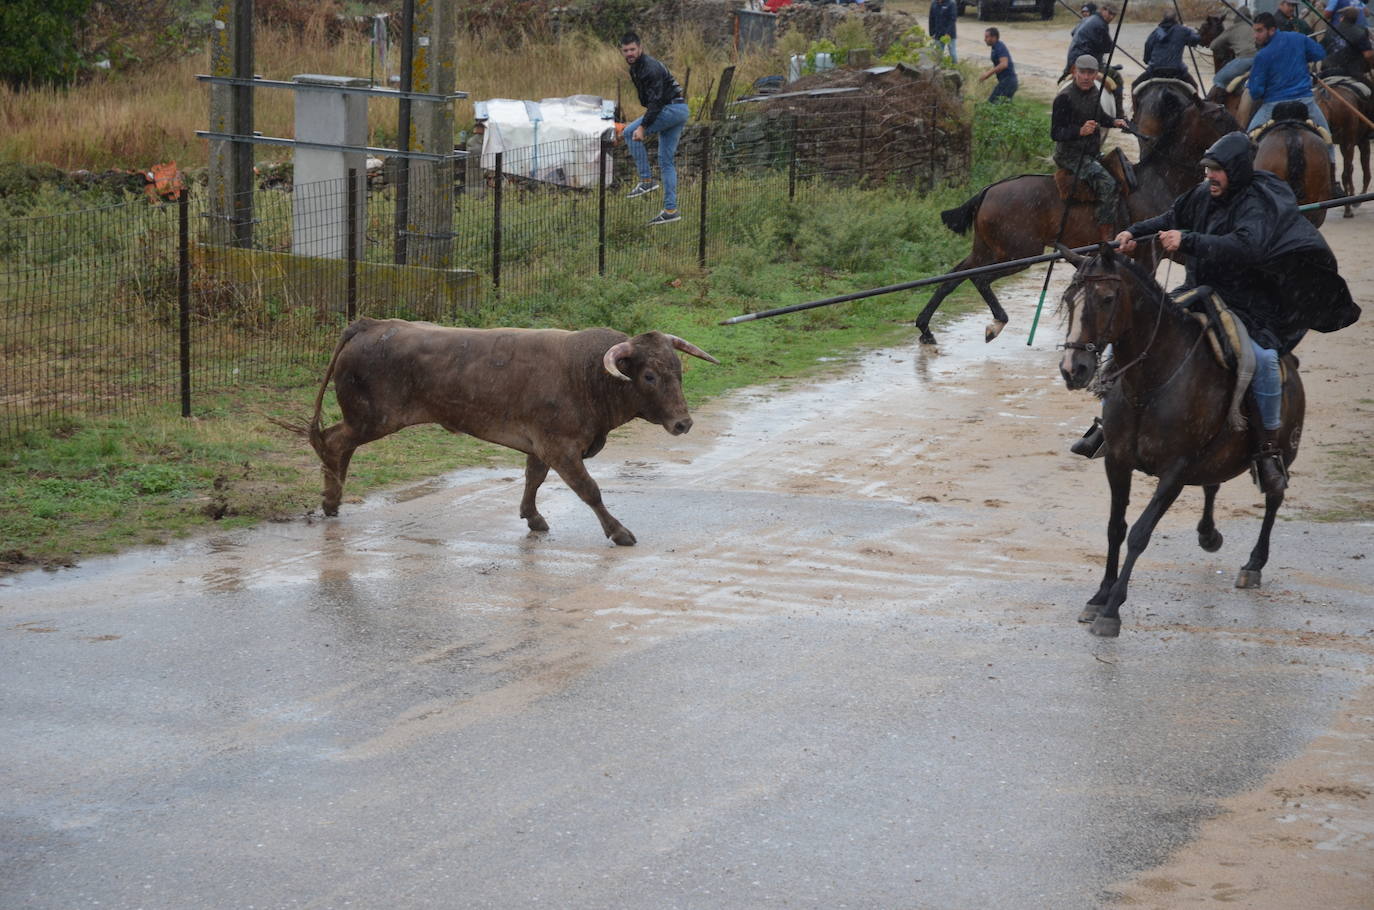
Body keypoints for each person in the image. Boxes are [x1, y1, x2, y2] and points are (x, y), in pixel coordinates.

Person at [1102, 131, 1358, 491]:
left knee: (1265, 360)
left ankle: (1268, 450)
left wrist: (1188, 240)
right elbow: (1170, 216)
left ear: (1235, 171)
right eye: (1207, 170)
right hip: (1199, 289)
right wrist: (1132, 232)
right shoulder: (1204, 193)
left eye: (1217, 171)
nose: (1210, 177)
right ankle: (1111, 424)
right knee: (1140, 330)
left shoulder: (1257, 203)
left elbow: (1246, 247)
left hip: (1247, 300)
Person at [1246, 11, 1336, 173]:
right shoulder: (1299, 38)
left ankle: (1246, 182)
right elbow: (1319, 53)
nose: (1255, 36)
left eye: (1259, 31)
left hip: (1273, 106)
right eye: (1255, 31)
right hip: (1305, 102)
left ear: (1272, 30)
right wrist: (1299, 58)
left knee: (1248, 140)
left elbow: (1256, 92)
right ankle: (1333, 180)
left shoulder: (1262, 56)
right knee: (1327, 139)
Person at [1052, 55, 1129, 242]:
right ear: (1074, 72)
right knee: (1108, 185)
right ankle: (1105, 236)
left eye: (1090, 73)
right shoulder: (1064, 98)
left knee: (1125, 171)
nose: (1086, 77)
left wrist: (1114, 121)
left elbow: (1100, 116)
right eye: (1082, 72)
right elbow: (1055, 133)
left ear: (1096, 75)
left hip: (1091, 152)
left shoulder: (1095, 91)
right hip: (1070, 154)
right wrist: (1079, 131)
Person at [620, 31, 690, 226]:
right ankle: (670, 209)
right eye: (626, 50)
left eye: (633, 49)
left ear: (640, 48)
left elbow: (656, 101)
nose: (629, 53)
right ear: (622, 51)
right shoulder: (635, 68)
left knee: (628, 132)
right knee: (666, 161)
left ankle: (646, 180)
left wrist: (642, 127)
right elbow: (650, 100)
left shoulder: (649, 67)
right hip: (676, 109)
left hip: (672, 108)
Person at [1063, 3, 1123, 113]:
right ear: (1103, 10)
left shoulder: (1088, 19)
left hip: (1072, 62)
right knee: (1116, 76)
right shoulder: (1101, 25)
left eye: (1113, 15)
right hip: (1087, 62)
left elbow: (1073, 33)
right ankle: (1120, 114)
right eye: (1109, 13)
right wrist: (1111, 44)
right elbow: (1106, 47)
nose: (1111, 17)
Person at [1136, 10, 1201, 87]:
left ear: (1163, 18)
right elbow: (1196, 40)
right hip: (1176, 71)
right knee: (1194, 86)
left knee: (1135, 84)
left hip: (1156, 70)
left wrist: (1147, 61)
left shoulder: (1156, 32)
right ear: (1175, 19)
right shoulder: (1183, 30)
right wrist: (1189, 30)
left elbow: (1147, 47)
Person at [1206, 7, 1257, 102]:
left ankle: (1218, 106)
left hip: (1244, 59)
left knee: (1218, 80)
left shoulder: (1233, 28)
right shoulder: (1255, 26)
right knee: (1239, 84)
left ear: (1237, 17)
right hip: (1260, 61)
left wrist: (1229, 43)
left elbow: (1213, 46)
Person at [1319, 6, 1374, 79]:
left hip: (1327, 70)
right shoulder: (1361, 31)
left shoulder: (1330, 30)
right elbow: (1368, 55)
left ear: (1342, 18)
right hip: (1352, 72)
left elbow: (1320, 49)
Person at [980, 27, 1018, 101]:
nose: (985, 39)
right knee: (1002, 107)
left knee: (991, 104)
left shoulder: (999, 47)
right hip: (1006, 81)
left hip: (1008, 82)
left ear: (994, 37)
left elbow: (1004, 64)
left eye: (987, 37)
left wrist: (987, 74)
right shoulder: (995, 47)